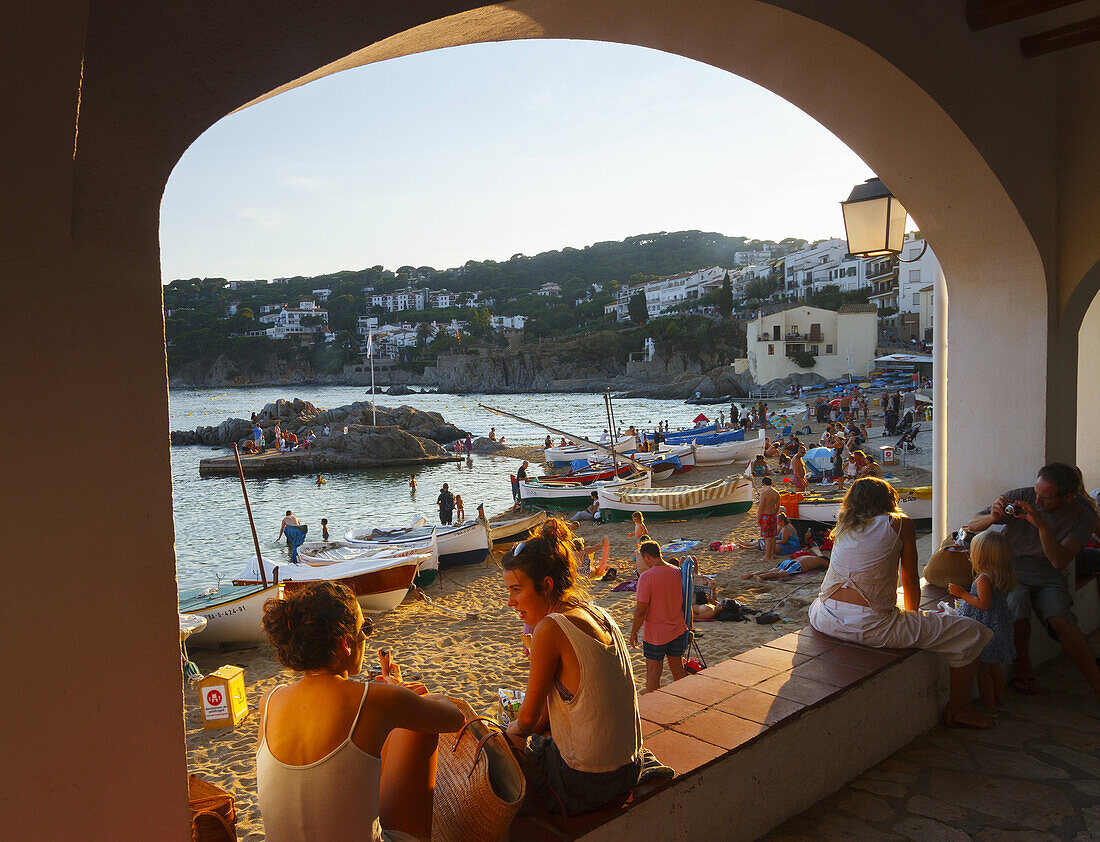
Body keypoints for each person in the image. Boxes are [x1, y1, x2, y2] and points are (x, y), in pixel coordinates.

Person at [256, 582, 464, 841]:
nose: (367, 637)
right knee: (418, 726)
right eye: (365, 628)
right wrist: (403, 694)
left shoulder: (270, 700)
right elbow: (455, 717)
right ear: (345, 642)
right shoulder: (374, 698)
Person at [501, 520, 672, 815]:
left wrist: (506, 735)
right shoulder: (597, 612)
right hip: (630, 766)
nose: (510, 602)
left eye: (516, 590)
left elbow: (528, 721)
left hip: (589, 780)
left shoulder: (549, 628)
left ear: (546, 585)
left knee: (502, 748)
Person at [809, 478, 994, 728]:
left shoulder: (844, 525)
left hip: (825, 618)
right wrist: (913, 615)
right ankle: (959, 708)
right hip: (870, 627)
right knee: (971, 632)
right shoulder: (900, 523)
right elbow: (909, 578)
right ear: (889, 499)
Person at [966, 462, 1100, 698]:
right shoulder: (1021, 496)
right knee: (1017, 604)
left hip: (1050, 573)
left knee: (1061, 619)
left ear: (1069, 497)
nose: (1037, 501)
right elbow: (973, 524)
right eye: (1037, 493)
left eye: (1046, 498)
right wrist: (992, 518)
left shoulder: (1083, 516)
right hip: (1011, 569)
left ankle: (1096, 682)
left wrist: (1040, 525)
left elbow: (1059, 561)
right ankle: (1023, 668)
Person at [948, 531, 1017, 714]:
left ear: (982, 556)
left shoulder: (983, 579)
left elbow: (984, 604)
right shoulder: (1002, 575)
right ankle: (999, 700)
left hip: (985, 628)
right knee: (995, 669)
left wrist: (961, 594)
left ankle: (989, 706)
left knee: (982, 670)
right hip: (999, 625)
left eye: (974, 551)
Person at [630, 541, 688, 692]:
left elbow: (641, 610)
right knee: (678, 669)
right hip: (677, 629)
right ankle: (686, 701)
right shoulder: (677, 571)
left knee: (653, 674)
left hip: (656, 634)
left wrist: (633, 631)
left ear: (647, 556)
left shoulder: (646, 577)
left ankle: (653, 708)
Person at [757, 476, 781, 562]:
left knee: (767, 538)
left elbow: (761, 507)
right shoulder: (776, 493)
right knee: (773, 536)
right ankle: (772, 555)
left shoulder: (764, 493)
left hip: (766, 516)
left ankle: (767, 556)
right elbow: (777, 507)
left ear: (763, 484)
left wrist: (758, 518)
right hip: (773, 515)